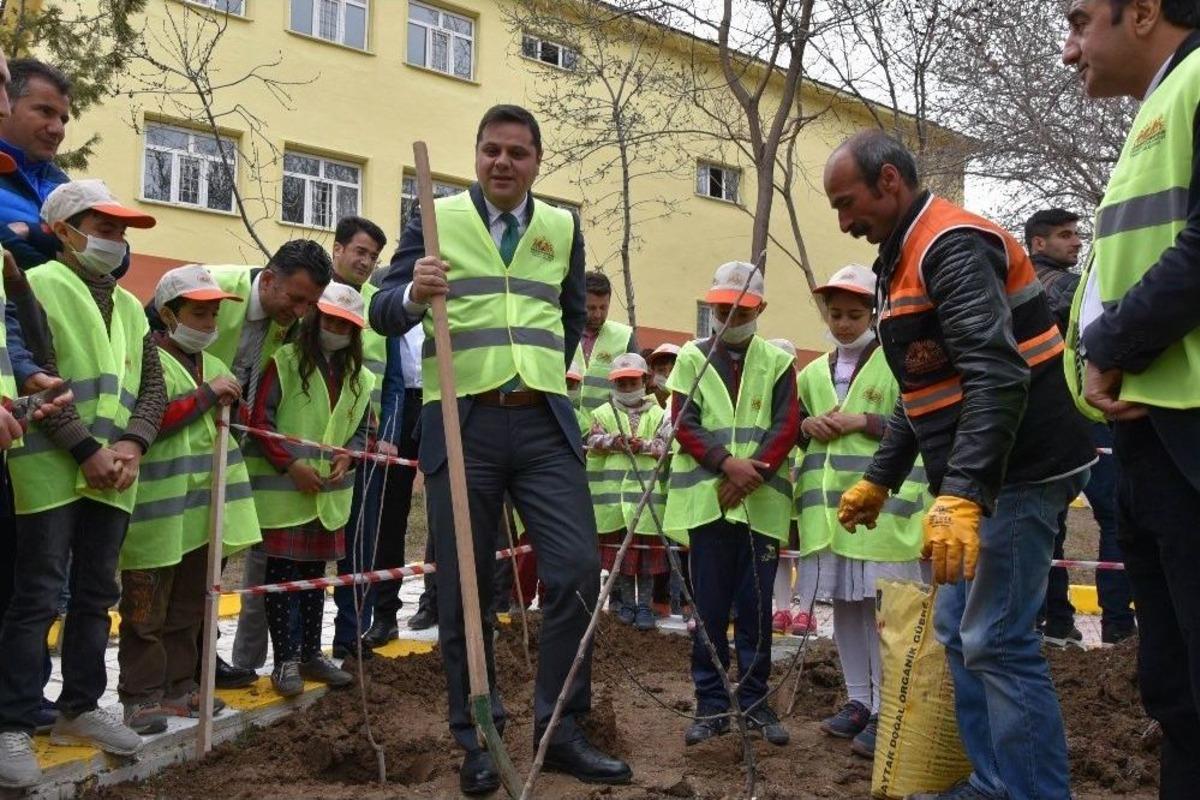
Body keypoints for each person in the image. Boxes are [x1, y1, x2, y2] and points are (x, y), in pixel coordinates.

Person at [370, 104, 631, 794]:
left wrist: (545, 367)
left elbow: (573, 313)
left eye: (517, 152)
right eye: (491, 150)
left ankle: (563, 727)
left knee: (576, 571)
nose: (503, 163)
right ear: (477, 155)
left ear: (537, 161)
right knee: (464, 590)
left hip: (544, 423)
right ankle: (479, 736)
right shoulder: (434, 215)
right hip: (464, 423)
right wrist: (413, 296)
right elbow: (381, 305)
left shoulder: (561, 227)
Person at [825, 131, 1094, 800]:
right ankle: (995, 781)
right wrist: (880, 479)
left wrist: (965, 492)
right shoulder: (903, 256)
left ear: (889, 181)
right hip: (994, 470)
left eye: (848, 202)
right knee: (958, 629)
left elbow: (997, 375)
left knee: (995, 638)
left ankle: (1029, 791)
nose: (844, 221)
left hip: (1023, 467)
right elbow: (929, 394)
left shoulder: (950, 244)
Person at [1063, 2, 1200, 795]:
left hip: (1188, 438)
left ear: (1143, 12)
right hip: (1156, 443)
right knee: (1176, 694)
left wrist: (1112, 348)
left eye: (1081, 20)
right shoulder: (1158, 108)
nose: (1068, 48)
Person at [0, 179, 165, 789]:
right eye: (103, 227)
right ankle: (13, 719)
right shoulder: (37, 286)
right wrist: (86, 447)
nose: (114, 241)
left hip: (114, 471)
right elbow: (37, 373)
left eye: (120, 231)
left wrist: (130, 444)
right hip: (50, 465)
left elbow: (151, 386)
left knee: (97, 594)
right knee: (37, 594)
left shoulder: (128, 305)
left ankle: (79, 708)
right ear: (65, 230)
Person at [117, 265, 261, 734]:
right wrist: (205, 397)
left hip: (201, 515)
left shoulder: (214, 366)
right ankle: (139, 698)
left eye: (214, 313)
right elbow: (147, 423)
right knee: (144, 610)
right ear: (167, 313)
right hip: (155, 515)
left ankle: (181, 688)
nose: (209, 323)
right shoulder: (145, 361)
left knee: (188, 608)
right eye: (199, 313)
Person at [793, 265, 928, 760]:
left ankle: (890, 707)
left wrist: (862, 420)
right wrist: (808, 424)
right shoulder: (810, 373)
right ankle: (859, 701)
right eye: (836, 314)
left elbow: (914, 419)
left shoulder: (897, 362)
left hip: (884, 513)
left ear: (874, 312)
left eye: (854, 314)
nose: (844, 323)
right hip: (830, 515)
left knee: (887, 612)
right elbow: (798, 430)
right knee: (847, 608)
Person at [663, 260, 798, 749]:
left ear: (759, 307)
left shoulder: (779, 362)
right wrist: (726, 464)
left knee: (757, 610)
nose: (729, 317)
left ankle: (757, 704)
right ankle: (712, 705)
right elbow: (683, 421)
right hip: (708, 506)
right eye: (722, 308)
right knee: (710, 611)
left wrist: (748, 475)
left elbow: (786, 427)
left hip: (759, 508)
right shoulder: (689, 358)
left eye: (740, 310)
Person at [194, 244, 331, 683]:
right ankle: (178, 670)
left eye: (311, 303)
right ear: (268, 279)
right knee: (186, 559)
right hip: (181, 434)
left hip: (231, 443)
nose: (303, 310)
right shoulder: (212, 285)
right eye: (296, 298)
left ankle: (203, 661)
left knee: (213, 554)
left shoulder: (287, 324)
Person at [243, 283, 374, 697]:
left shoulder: (360, 377)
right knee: (283, 581)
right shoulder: (285, 361)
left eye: (345, 325)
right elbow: (260, 422)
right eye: (331, 320)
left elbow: (363, 430)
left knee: (315, 579)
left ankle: (310, 654)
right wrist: (290, 464)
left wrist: (348, 457)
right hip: (285, 495)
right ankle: (284, 661)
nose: (336, 329)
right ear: (317, 318)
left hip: (328, 498)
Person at [1025, 207, 1134, 647]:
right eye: (1065, 235)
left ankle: (1059, 621)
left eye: (1077, 234)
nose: (1075, 242)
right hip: (1083, 416)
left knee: (1051, 523)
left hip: (1047, 420)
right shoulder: (1062, 286)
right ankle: (1117, 627)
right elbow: (1108, 321)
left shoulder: (1017, 285)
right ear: (1038, 243)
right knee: (1115, 515)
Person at [322, 216, 402, 661]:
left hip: (366, 447)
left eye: (373, 256)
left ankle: (351, 636)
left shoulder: (378, 307)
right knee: (302, 553)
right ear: (337, 249)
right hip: (314, 444)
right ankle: (292, 649)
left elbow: (391, 382)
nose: (366, 262)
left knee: (361, 544)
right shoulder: (313, 291)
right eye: (360, 252)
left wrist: (386, 436)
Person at [586, 353, 671, 631]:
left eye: (631, 382)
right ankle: (624, 603)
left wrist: (642, 446)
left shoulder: (659, 414)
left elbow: (666, 445)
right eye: (620, 383)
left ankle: (644, 605)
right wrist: (614, 441)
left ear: (644, 380)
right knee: (620, 558)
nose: (626, 388)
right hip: (613, 503)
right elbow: (592, 439)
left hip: (645, 501)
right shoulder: (602, 412)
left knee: (645, 559)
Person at [573, 270, 637, 414]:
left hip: (608, 429)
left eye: (603, 307)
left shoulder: (625, 336)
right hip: (566, 425)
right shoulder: (563, 333)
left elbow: (637, 388)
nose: (597, 314)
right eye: (591, 308)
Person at [646, 342, 680, 409]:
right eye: (661, 370)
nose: (667, 375)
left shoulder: (692, 397)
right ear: (653, 372)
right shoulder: (647, 401)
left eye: (672, 370)